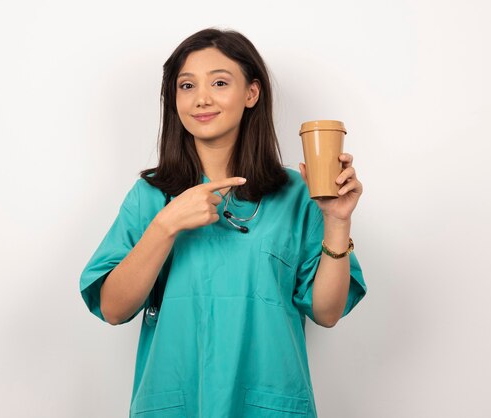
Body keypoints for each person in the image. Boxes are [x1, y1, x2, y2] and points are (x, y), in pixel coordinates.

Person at [79, 27, 367, 418]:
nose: (201, 98)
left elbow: (327, 312)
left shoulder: (296, 193)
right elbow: (113, 308)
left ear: (251, 93)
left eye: (219, 82)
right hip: (175, 401)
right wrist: (166, 226)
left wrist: (336, 220)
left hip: (268, 404)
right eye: (186, 85)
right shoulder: (151, 196)